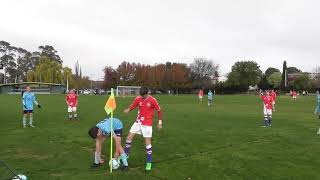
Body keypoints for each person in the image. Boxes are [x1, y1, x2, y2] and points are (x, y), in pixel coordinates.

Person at [123, 87, 162, 171]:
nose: (142, 97)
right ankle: (126, 154)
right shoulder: (138, 98)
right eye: (141, 95)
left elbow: (159, 110)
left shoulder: (153, 100)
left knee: (147, 143)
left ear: (147, 93)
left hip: (147, 124)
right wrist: (128, 109)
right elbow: (133, 105)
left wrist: (159, 123)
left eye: (144, 95)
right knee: (128, 138)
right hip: (138, 122)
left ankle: (149, 162)